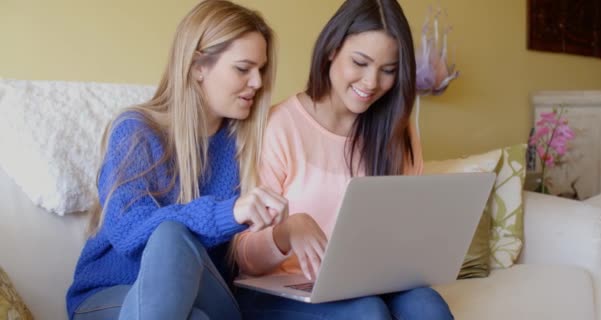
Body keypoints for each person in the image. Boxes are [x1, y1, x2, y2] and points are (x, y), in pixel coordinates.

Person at [65, 1, 287, 319]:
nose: (258, 82)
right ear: (198, 66)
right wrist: (228, 212)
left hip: (206, 294)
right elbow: (128, 230)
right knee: (171, 238)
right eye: (243, 68)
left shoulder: (246, 144)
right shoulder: (137, 131)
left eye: (261, 70)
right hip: (113, 294)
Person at [233, 0, 454, 319]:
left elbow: (408, 229)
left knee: (428, 308)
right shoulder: (279, 127)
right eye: (360, 62)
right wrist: (287, 232)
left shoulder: (397, 131)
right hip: (283, 288)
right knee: (367, 313)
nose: (371, 82)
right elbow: (243, 255)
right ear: (331, 50)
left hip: (371, 281)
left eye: (388, 70)